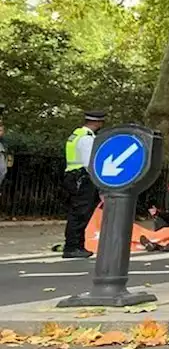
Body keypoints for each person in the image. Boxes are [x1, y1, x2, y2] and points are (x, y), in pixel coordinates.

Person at [62, 109, 105, 259]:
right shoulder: (87, 138)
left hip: (73, 176)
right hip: (82, 177)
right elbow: (89, 164)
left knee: (76, 212)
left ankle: (74, 245)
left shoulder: (76, 134)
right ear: (97, 122)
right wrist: (100, 184)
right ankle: (73, 247)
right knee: (80, 213)